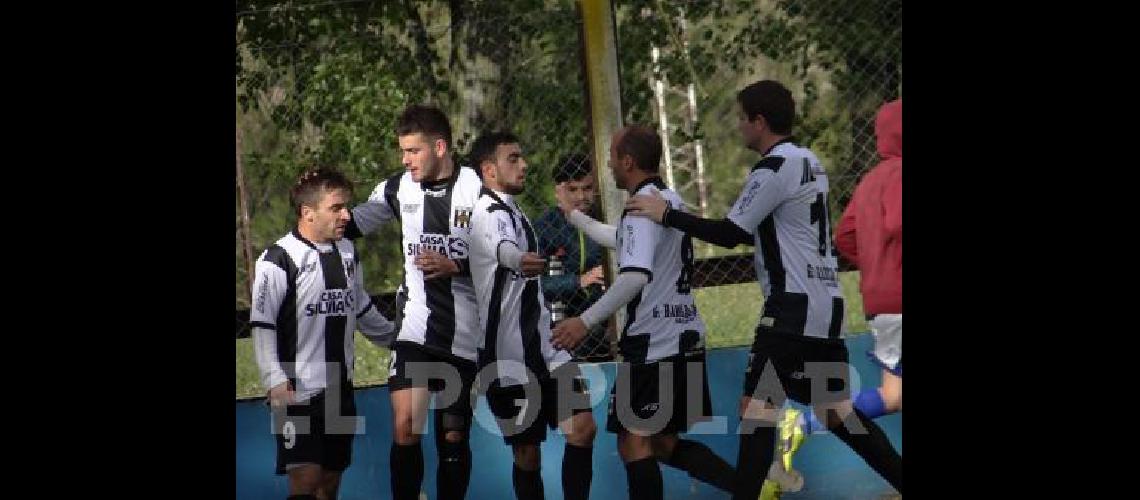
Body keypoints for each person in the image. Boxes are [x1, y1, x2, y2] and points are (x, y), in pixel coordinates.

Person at [624, 80, 903, 499]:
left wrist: (667, 214)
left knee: (756, 413)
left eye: (741, 119)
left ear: (759, 122)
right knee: (836, 415)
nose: (739, 127)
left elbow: (730, 233)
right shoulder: (811, 160)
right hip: (825, 307)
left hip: (790, 312)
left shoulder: (774, 167)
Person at [551, 125, 737, 500]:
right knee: (663, 445)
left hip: (655, 344)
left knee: (633, 443)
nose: (608, 163)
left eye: (612, 156)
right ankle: (752, 486)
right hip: (682, 335)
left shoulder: (640, 207)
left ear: (628, 161)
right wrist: (575, 218)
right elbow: (623, 238)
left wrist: (585, 321)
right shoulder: (668, 201)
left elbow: (634, 275)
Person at [343, 104, 482, 500]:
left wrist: (457, 264)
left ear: (439, 147)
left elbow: (507, 256)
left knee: (453, 436)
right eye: (402, 151)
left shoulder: (479, 188)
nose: (405, 160)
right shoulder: (397, 187)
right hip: (415, 329)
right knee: (406, 426)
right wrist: (316, 202)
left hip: (465, 333)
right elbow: (348, 225)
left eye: (413, 151)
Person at [466, 131, 598, 500]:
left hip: (546, 346)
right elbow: (502, 247)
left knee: (583, 428)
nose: (524, 165)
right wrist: (517, 259)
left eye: (522, 157)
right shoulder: (486, 214)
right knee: (527, 454)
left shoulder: (513, 211)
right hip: (507, 354)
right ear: (489, 170)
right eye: (513, 159)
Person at [250, 167, 396, 500]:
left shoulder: (347, 252)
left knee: (330, 480)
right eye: (336, 208)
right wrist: (274, 379)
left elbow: (360, 307)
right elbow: (262, 324)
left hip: (339, 388)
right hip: (296, 390)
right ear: (308, 213)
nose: (347, 215)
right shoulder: (278, 259)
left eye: (347, 206)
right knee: (305, 479)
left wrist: (396, 339)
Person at [834, 98, 903, 419]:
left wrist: (879, 266)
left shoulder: (869, 181)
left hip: (880, 302)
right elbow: (897, 221)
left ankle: (805, 422)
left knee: (893, 396)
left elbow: (844, 236)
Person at [534, 153, 610, 361]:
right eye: (572, 189)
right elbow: (533, 285)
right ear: (558, 191)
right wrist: (579, 281)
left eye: (587, 188)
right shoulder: (544, 228)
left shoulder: (607, 220)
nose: (581, 197)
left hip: (604, 323)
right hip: (560, 328)